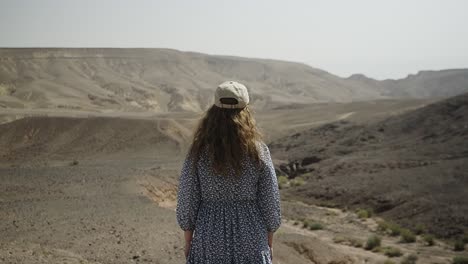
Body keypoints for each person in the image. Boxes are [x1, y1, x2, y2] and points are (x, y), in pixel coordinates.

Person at [175, 80, 282, 264]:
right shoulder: (259, 151)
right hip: (252, 237)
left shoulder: (199, 151)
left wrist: (188, 240)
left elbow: (188, 198)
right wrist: (268, 243)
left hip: (209, 237)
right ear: (246, 112)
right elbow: (270, 200)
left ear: (214, 112)